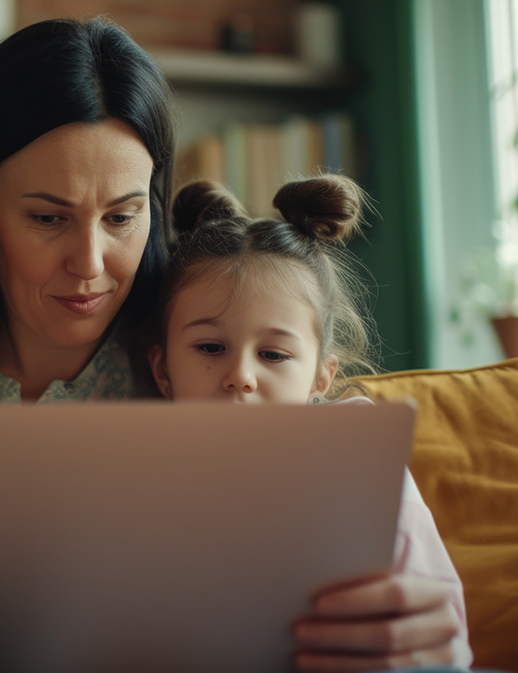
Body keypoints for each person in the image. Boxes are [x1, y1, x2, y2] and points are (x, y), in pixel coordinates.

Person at [0, 14, 468, 673]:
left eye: (122, 215)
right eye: (48, 217)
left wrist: (433, 639)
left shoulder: (206, 355)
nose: (90, 263)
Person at [146, 176, 473, 671]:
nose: (240, 377)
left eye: (274, 354)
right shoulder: (134, 470)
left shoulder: (362, 464)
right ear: (163, 370)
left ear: (322, 375)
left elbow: (442, 628)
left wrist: (425, 652)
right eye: (211, 348)